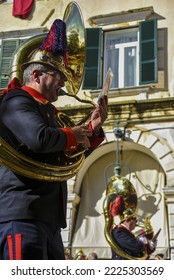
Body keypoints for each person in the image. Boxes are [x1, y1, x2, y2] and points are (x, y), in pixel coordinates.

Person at [0, 19, 107, 260]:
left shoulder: (49, 111)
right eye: (58, 74)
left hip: (47, 218)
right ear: (36, 75)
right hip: (22, 214)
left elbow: (66, 158)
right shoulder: (17, 100)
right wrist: (73, 134)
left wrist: (93, 128)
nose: (64, 80)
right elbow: (39, 138)